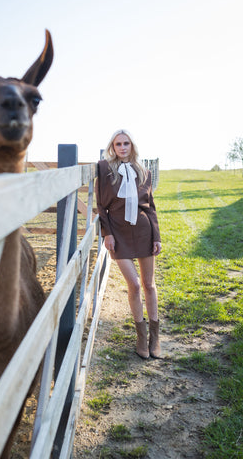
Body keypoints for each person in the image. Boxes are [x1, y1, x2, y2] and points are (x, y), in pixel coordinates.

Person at [96, 129, 162, 359]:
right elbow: (101, 207)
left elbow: (150, 207)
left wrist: (157, 236)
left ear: (132, 146)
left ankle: (155, 339)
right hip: (119, 234)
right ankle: (140, 337)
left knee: (148, 284)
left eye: (126, 143)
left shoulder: (144, 172)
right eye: (118, 144)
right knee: (133, 284)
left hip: (144, 231)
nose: (122, 147)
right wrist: (107, 234)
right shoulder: (104, 170)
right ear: (112, 148)